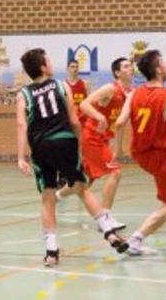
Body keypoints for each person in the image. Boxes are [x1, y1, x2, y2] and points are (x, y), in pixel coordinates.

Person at [15, 48, 128, 267]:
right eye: (48, 59)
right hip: (65, 140)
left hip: (40, 146)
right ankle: (110, 233)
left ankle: (51, 251)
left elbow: (21, 124)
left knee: (48, 196)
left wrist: (21, 157)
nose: (51, 61)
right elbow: (74, 120)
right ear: (42, 67)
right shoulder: (61, 85)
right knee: (82, 189)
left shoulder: (23, 94)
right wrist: (78, 143)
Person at [116, 49, 166, 255]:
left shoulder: (134, 93)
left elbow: (120, 122)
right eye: (164, 62)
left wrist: (118, 151)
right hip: (158, 155)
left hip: (139, 151)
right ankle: (136, 240)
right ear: (159, 69)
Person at [58, 58, 133, 226]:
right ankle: (105, 217)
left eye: (131, 66)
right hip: (91, 137)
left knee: (84, 181)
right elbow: (84, 104)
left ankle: (56, 197)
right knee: (116, 171)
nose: (130, 68)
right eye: (126, 66)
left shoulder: (129, 92)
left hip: (103, 138)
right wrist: (99, 117)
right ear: (117, 73)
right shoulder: (110, 88)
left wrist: (114, 140)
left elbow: (119, 121)